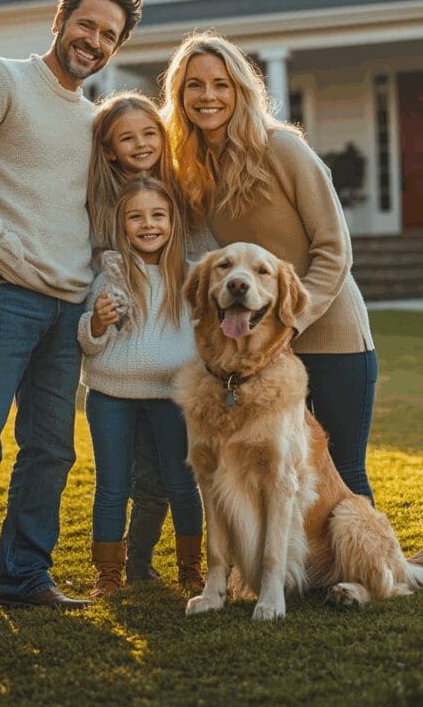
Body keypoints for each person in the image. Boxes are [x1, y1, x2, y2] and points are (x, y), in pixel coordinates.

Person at [0, 0, 143, 618]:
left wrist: (104, 282)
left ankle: (25, 579)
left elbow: (97, 214)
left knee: (50, 450)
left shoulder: (94, 121)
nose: (94, 41)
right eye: (87, 25)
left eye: (109, 35)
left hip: (68, 307)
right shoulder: (1, 80)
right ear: (60, 20)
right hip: (0, 295)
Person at [161, 32, 378, 502]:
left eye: (221, 84)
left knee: (340, 472)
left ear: (241, 90)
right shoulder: (195, 170)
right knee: (278, 476)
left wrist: (289, 325)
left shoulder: (283, 150)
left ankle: (369, 575)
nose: (208, 96)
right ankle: (293, 575)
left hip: (331, 334)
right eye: (194, 86)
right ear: (180, 97)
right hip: (257, 349)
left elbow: (334, 249)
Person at [79, 177, 204, 597]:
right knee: (112, 485)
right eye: (136, 216)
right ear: (121, 224)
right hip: (110, 395)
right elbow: (87, 339)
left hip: (171, 396)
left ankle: (190, 568)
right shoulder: (111, 276)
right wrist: (97, 322)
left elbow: (205, 339)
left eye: (157, 215)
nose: (148, 224)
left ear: (173, 222)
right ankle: (109, 573)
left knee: (180, 482)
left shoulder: (189, 279)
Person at [88, 93, 180, 582]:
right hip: (116, 367)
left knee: (161, 480)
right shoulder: (101, 205)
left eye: (150, 133)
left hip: (168, 378)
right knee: (114, 482)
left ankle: (142, 561)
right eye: (127, 137)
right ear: (109, 149)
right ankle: (112, 569)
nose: (142, 144)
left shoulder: (178, 194)